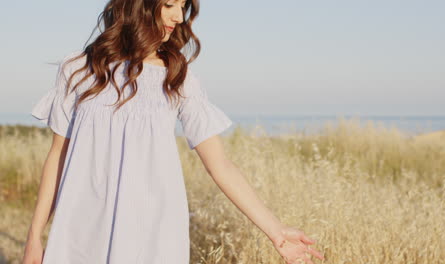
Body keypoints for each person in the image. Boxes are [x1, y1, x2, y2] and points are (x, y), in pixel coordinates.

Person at [22, 0, 325, 263]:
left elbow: (220, 165)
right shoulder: (78, 69)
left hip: (151, 233)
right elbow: (58, 157)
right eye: (169, 4)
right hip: (81, 229)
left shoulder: (177, 76)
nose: (179, 16)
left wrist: (276, 230)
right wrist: (34, 236)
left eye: (183, 6)